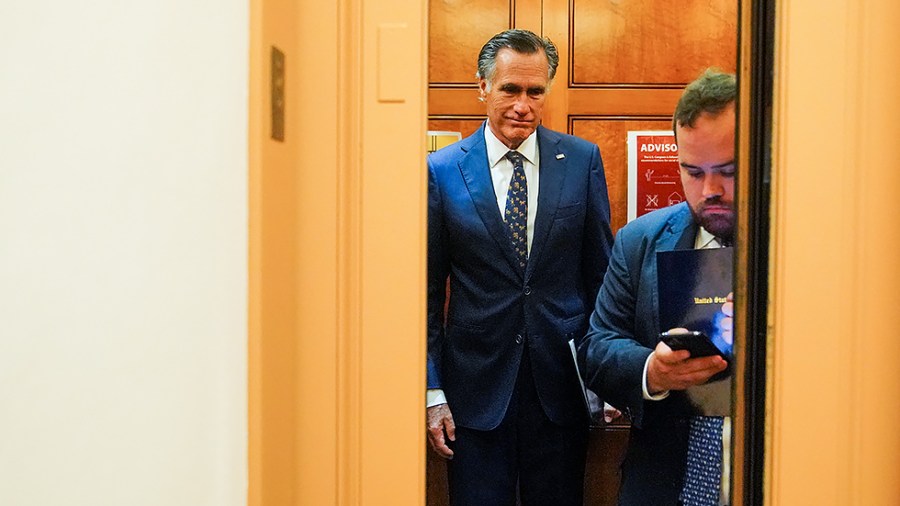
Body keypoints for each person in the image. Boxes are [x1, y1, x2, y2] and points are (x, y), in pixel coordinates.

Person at [426, 29, 614, 505]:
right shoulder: (442, 170)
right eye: (510, 89)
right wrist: (432, 392)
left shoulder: (581, 160)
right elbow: (425, 293)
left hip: (560, 389)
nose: (522, 105)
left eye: (536, 92)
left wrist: (610, 375)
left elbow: (602, 278)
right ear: (483, 87)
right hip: (474, 393)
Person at [578, 69, 738, 506]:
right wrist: (652, 370)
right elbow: (598, 348)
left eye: (728, 170)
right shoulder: (640, 240)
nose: (710, 190)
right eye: (692, 171)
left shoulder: (806, 251)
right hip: (660, 482)